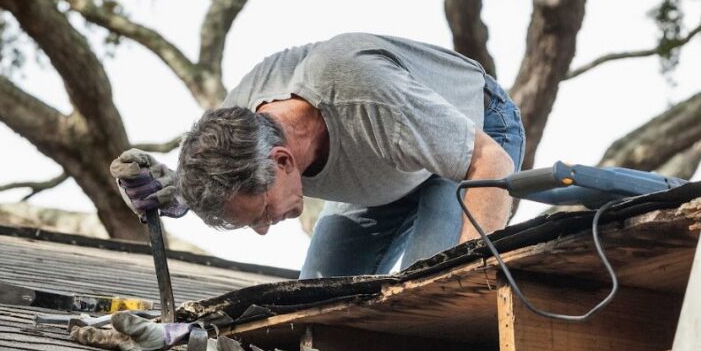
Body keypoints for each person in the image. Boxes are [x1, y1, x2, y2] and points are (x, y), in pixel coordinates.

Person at [110, 33, 525, 278]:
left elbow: (489, 162)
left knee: (432, 287)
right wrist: (173, 192)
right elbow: (217, 186)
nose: (264, 230)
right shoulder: (237, 129)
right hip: (388, 160)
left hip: (474, 134)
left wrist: (471, 284)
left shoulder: (366, 98)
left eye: (261, 214)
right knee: (312, 305)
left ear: (283, 161)